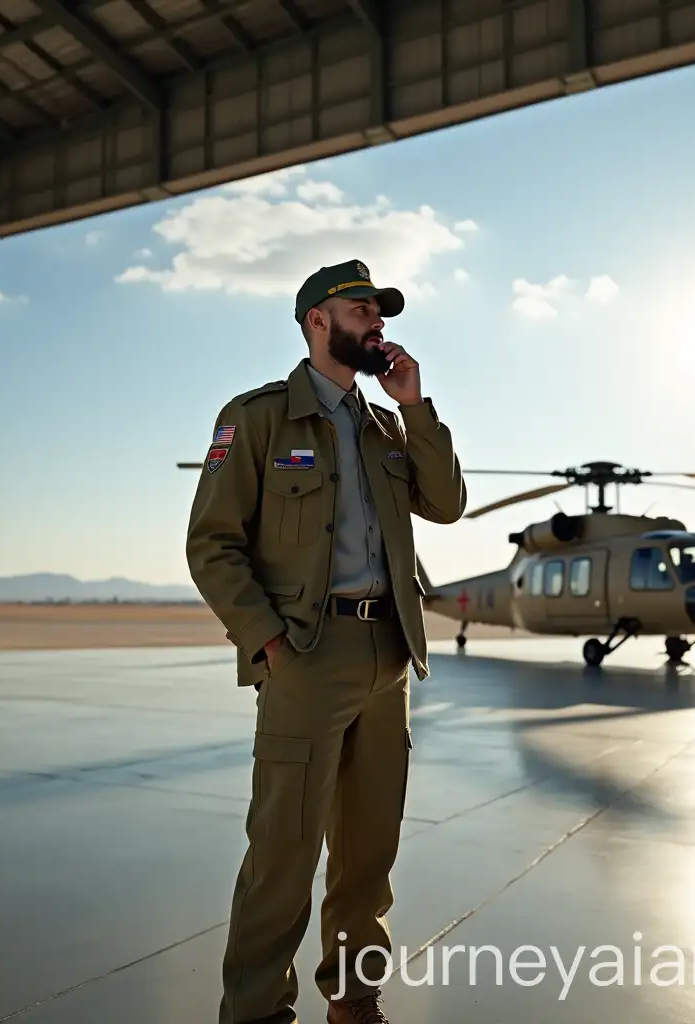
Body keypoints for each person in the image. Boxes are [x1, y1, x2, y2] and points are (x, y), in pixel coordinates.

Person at [186, 258, 466, 1024]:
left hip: (388, 658)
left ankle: (354, 994)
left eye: (381, 312)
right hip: (307, 654)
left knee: (369, 852)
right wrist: (268, 643)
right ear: (318, 320)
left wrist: (417, 408)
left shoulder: (385, 427)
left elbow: (446, 504)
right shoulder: (260, 417)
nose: (378, 323)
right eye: (362, 310)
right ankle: (255, 1011)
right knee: (284, 851)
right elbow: (212, 544)